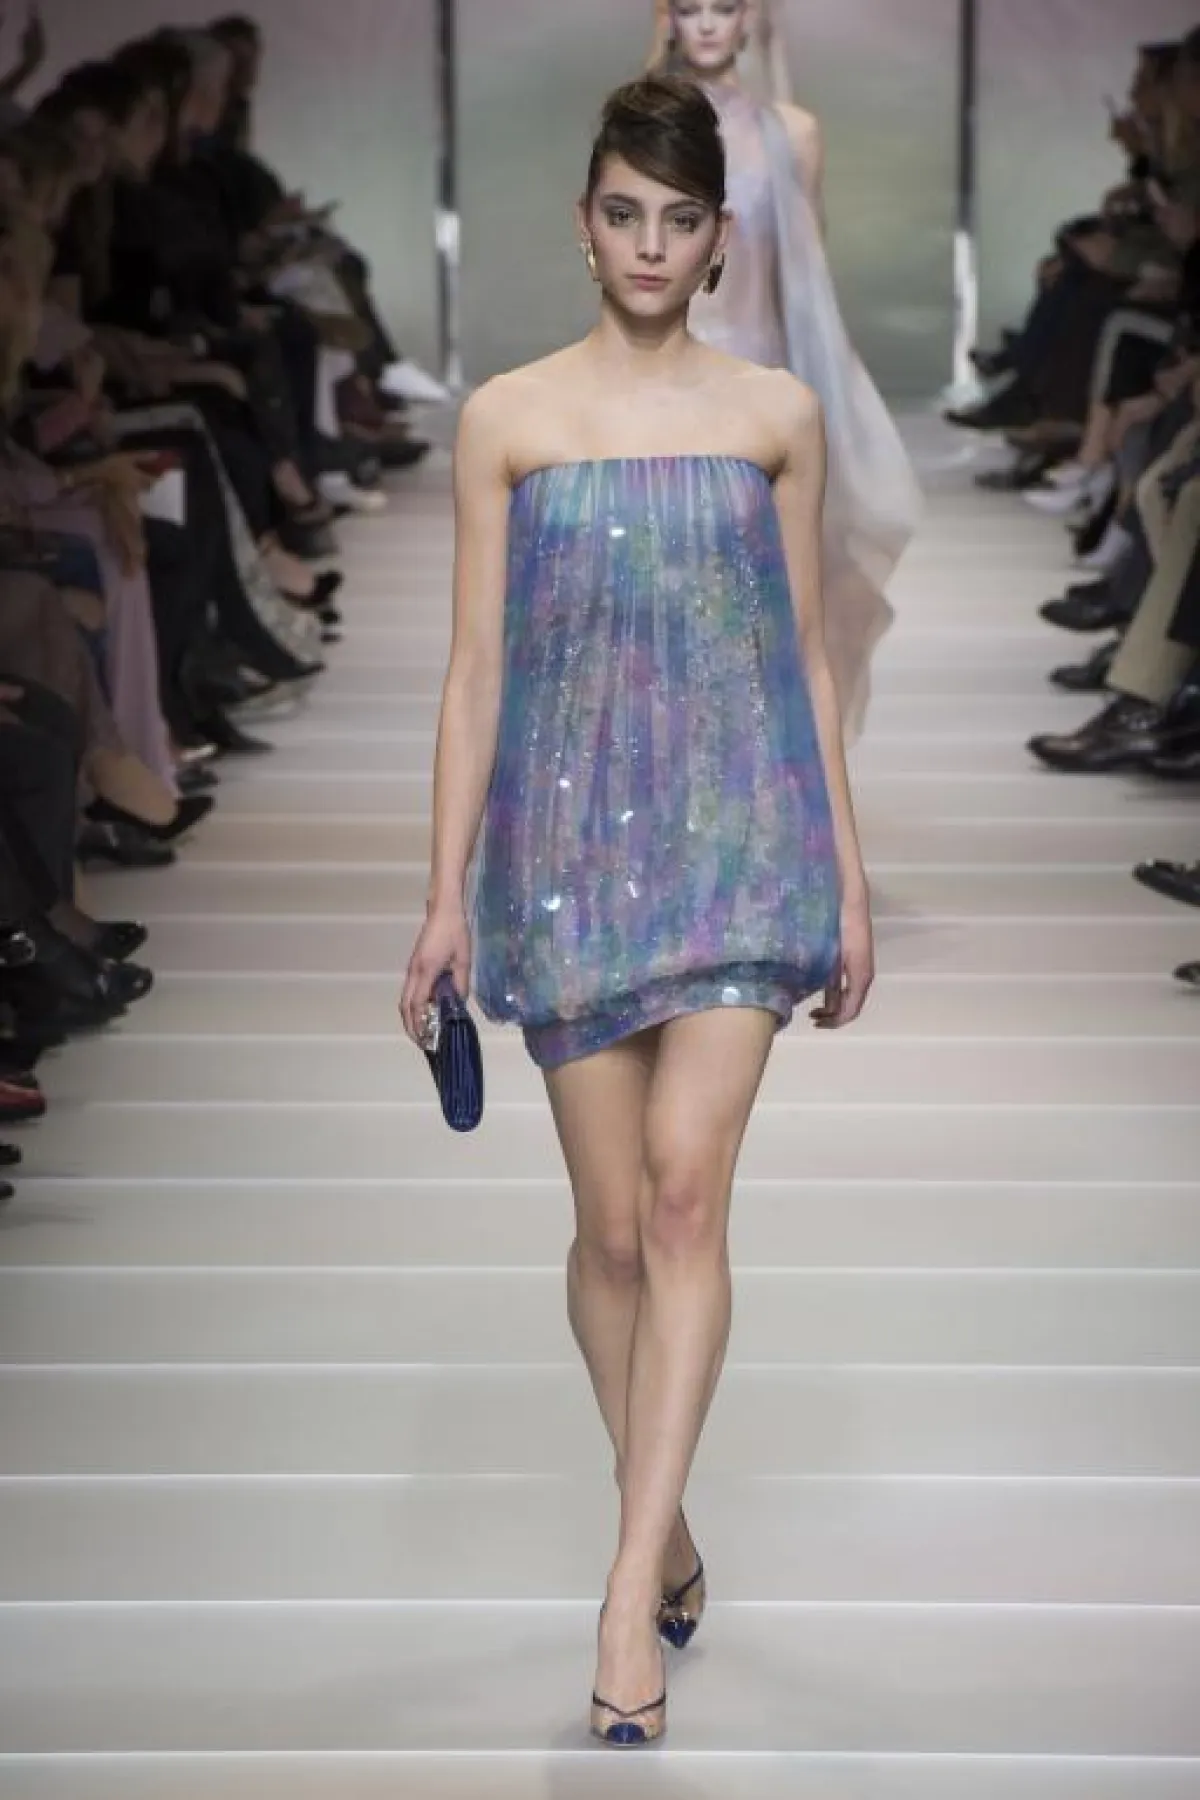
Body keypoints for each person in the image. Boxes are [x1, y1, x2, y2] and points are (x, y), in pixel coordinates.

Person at [400, 74, 874, 1748]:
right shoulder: (508, 420)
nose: (652, 245)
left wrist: (847, 873)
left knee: (682, 1202)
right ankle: (662, 1523)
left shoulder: (775, 417)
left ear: (720, 238)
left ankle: (620, 1599)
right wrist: (442, 895)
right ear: (584, 223)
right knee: (609, 1235)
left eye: (680, 219)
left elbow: (804, 653)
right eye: (625, 214)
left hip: (744, 846)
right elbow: (473, 670)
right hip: (567, 857)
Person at [646, 0, 920, 737]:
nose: (708, 24)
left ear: (751, 19)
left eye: (725, 7)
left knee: (753, 583)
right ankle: (674, 749)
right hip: (663, 374)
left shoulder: (794, 132)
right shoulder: (643, 123)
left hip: (758, 372)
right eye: (690, 8)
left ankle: (747, 758)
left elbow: (807, 275)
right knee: (666, 573)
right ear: (666, 17)